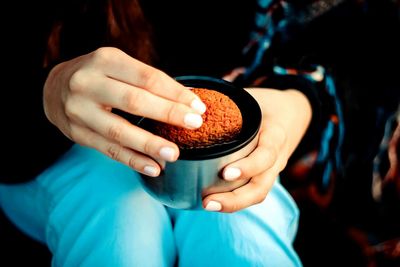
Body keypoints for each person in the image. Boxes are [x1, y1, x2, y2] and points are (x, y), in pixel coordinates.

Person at [0, 1, 311, 266]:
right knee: (115, 213)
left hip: (237, 139)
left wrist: (301, 102)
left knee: (240, 224)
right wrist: (46, 92)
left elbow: (340, 46)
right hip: (44, 145)